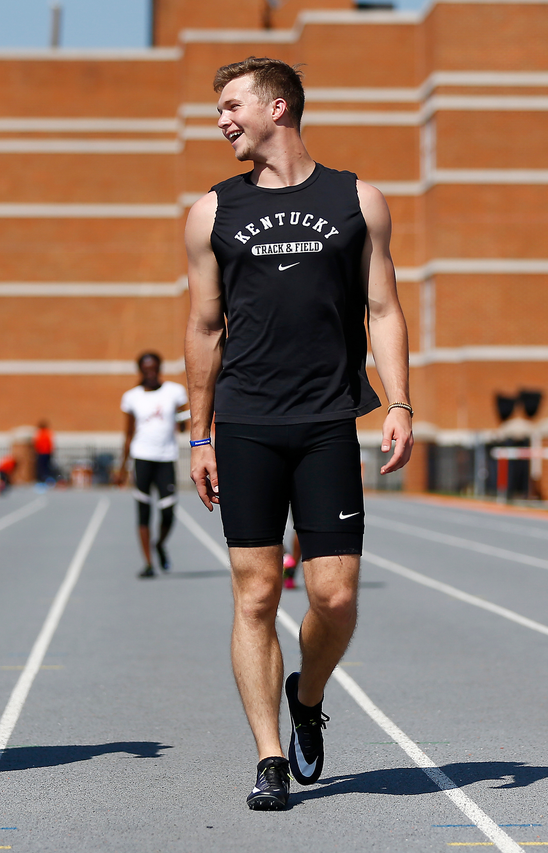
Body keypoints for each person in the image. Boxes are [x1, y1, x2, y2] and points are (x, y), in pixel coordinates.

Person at [184, 58, 414, 810]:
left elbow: (383, 309)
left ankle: (307, 693)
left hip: (325, 423)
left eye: (230, 105)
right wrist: (200, 433)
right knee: (254, 595)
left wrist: (400, 403)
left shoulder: (358, 200)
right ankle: (270, 756)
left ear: (277, 106)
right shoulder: (211, 212)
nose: (220, 119)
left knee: (335, 595)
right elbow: (204, 326)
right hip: (246, 422)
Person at [118, 351, 189, 578]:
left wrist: (182, 422)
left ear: (160, 369)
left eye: (154, 369)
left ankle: (159, 544)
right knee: (143, 511)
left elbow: (183, 420)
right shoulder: (132, 397)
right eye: (145, 369)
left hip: (166, 457)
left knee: (168, 511)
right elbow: (128, 433)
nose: (150, 373)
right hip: (142, 457)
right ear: (140, 371)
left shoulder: (174, 392)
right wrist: (122, 466)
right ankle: (148, 563)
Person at [33, 420, 54, 486]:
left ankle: (42, 479)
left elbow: (37, 443)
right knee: (47, 466)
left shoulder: (40, 433)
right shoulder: (48, 433)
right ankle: (47, 479)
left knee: (41, 467)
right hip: (47, 452)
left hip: (41, 452)